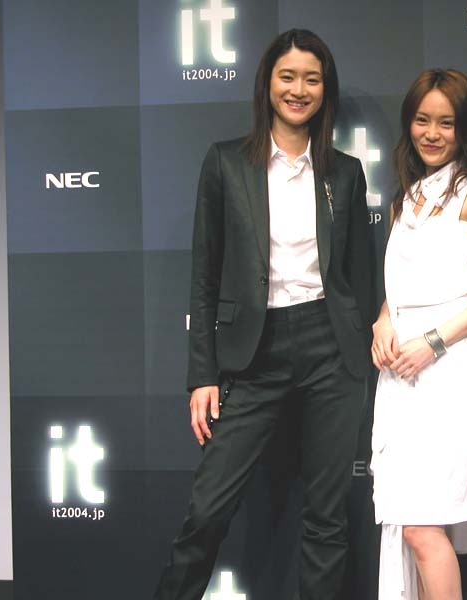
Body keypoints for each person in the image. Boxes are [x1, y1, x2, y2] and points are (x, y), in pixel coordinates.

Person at [154, 29, 374, 600]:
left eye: (312, 79)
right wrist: (202, 373)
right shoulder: (226, 163)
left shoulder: (345, 172)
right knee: (206, 511)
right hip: (252, 354)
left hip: (331, 350)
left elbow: (359, 275)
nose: (299, 90)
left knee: (327, 519)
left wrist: (364, 349)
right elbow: (204, 276)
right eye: (287, 76)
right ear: (267, 83)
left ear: (325, 90)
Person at [370, 69, 467, 600]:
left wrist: (433, 342)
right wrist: (384, 320)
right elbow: (401, 287)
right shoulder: (405, 198)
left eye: (446, 123)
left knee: (421, 527)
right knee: (411, 528)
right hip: (401, 374)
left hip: (448, 368)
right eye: (422, 120)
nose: (431, 133)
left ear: (464, 128)